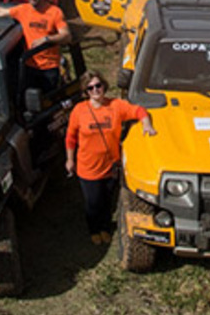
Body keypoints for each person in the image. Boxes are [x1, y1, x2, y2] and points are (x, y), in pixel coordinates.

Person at [65, 72, 156, 244]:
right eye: (90, 88)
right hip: (87, 168)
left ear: (104, 86)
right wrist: (70, 160)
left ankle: (105, 228)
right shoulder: (79, 111)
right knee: (93, 203)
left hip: (110, 166)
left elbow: (138, 110)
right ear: (86, 92)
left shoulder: (116, 105)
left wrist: (146, 123)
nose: (95, 90)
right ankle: (94, 230)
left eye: (98, 86)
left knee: (107, 201)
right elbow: (71, 137)